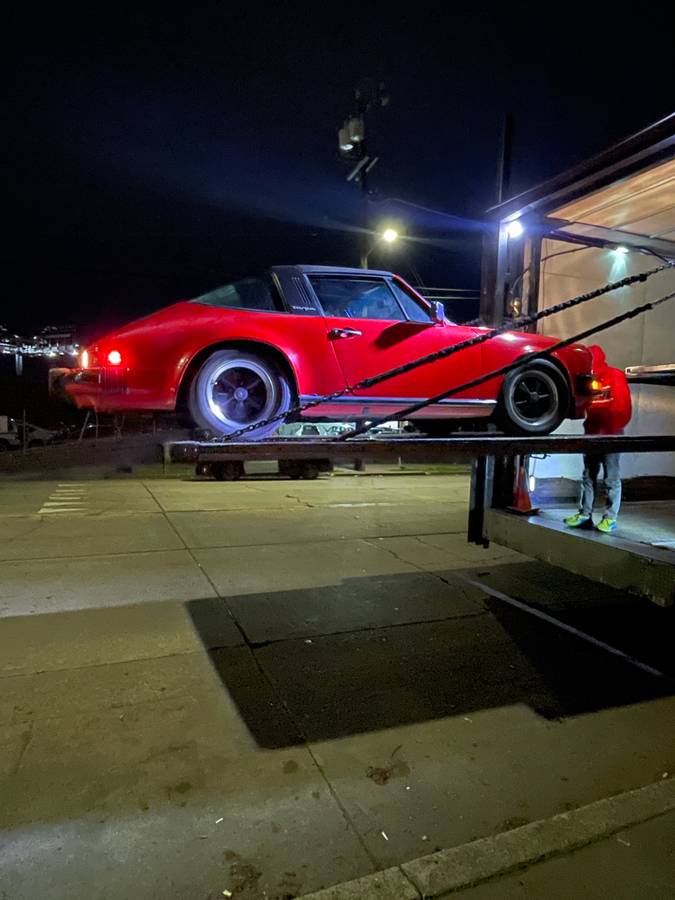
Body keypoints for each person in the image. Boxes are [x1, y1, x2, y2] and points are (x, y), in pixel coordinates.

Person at [564, 345, 632, 533]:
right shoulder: (587, 379)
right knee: (588, 476)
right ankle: (585, 514)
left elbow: (622, 408)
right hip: (592, 435)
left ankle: (610, 518)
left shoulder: (615, 376)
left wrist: (609, 426)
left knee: (611, 478)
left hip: (611, 436)